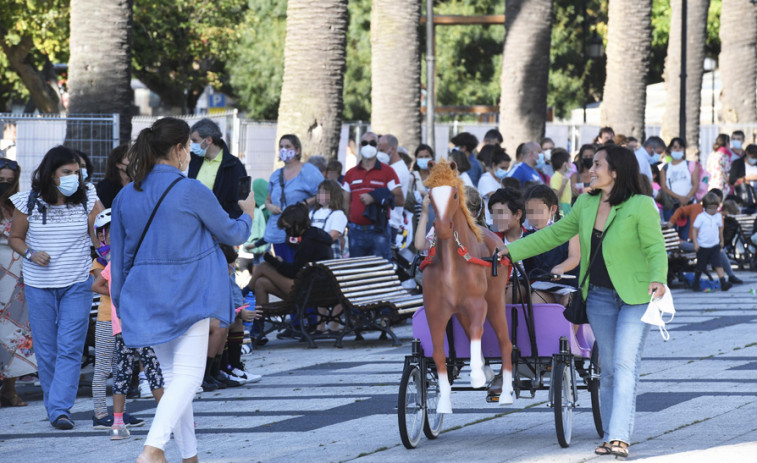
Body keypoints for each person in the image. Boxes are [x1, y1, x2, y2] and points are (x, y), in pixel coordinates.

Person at [505, 144, 667, 459]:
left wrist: (658, 277)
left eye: (596, 165)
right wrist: (510, 250)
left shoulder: (641, 205)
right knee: (606, 368)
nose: (589, 170)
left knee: (623, 364)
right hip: (599, 297)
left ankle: (619, 437)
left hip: (637, 297)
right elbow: (553, 236)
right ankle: (610, 435)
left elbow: (655, 248)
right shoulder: (585, 204)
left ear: (616, 171)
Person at [110, 117, 254, 463]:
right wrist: (248, 213)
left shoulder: (126, 196)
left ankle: (189, 457)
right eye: (188, 147)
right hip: (191, 294)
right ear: (178, 149)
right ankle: (152, 449)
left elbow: (119, 258)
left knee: (175, 381)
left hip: (143, 297)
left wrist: (122, 302)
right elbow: (233, 234)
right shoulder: (190, 190)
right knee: (188, 379)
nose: (189, 154)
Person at [8, 145, 103, 429]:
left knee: (71, 347)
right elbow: (15, 237)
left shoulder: (88, 199)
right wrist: (30, 254)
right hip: (39, 284)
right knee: (47, 350)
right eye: (67, 172)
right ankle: (56, 407)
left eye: (77, 172)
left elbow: (99, 237)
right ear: (51, 174)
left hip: (77, 283)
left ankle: (60, 409)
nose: (74, 177)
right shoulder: (28, 201)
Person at [93, 257, 163, 439]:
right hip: (138, 325)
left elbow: (98, 285)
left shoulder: (117, 261)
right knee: (152, 369)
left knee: (123, 372)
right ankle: (166, 420)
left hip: (122, 324)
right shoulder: (141, 261)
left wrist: (119, 296)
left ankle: (117, 424)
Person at [247, 204, 333, 306]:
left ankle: (241, 296)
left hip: (308, 292)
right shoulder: (316, 236)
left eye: (287, 228)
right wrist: (281, 262)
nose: (286, 232)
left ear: (296, 225)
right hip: (318, 289)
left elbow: (292, 272)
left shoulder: (308, 241)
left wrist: (271, 259)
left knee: (264, 267)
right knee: (261, 283)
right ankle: (258, 320)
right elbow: (297, 267)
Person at [0, 159, 34, 409]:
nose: (5, 184)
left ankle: (10, 390)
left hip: (18, 275)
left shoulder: (18, 205)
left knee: (16, 334)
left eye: (10, 180)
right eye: (1, 179)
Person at [264, 134, 323, 263]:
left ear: (297, 150)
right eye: (281, 146)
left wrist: (305, 203)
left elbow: (325, 194)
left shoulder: (309, 171)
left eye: (287, 146)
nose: (283, 149)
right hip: (277, 233)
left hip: (299, 233)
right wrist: (270, 206)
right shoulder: (275, 175)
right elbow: (268, 199)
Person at [342, 143, 402, 259]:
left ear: (378, 147)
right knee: (356, 271)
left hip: (379, 230)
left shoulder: (388, 172)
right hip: (355, 231)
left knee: (380, 270)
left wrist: (375, 197)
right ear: (359, 146)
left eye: (372, 143)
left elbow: (399, 200)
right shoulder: (350, 174)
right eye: (364, 143)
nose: (368, 146)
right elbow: (345, 203)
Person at [522, 184, 579, 305]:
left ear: (553, 209)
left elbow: (574, 257)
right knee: (536, 300)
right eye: (529, 212)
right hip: (544, 287)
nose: (533, 217)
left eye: (538, 211)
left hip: (569, 285)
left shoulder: (568, 231)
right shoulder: (527, 237)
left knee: (569, 302)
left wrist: (561, 268)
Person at [188, 118, 248, 218]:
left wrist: (226, 226)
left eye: (195, 141)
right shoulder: (192, 160)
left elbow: (241, 202)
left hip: (219, 228)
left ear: (208, 140)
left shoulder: (234, 165)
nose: (192, 145)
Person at [689, 192, 732, 292]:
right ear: (705, 207)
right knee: (701, 265)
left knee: (718, 264)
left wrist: (721, 240)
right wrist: (695, 243)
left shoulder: (717, 216)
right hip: (703, 245)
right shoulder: (701, 217)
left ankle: (723, 283)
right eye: (710, 208)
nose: (713, 210)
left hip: (714, 245)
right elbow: (694, 230)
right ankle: (696, 283)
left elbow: (720, 229)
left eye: (715, 208)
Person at [659, 137, 699, 225]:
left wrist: (687, 198)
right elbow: (664, 187)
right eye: (675, 147)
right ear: (670, 149)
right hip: (671, 205)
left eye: (680, 148)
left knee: (686, 234)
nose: (677, 150)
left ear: (684, 149)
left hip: (688, 204)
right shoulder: (665, 168)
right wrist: (680, 198)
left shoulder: (690, 165)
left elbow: (695, 184)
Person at [310, 179, 348, 259]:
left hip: (330, 254)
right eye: (319, 192)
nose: (320, 195)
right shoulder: (312, 213)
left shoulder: (338, 214)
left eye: (324, 193)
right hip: (313, 253)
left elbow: (333, 236)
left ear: (334, 195)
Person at [477, 146, 509, 226]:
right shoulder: (486, 179)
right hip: (488, 222)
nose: (504, 171)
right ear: (494, 165)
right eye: (502, 168)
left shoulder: (501, 179)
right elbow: (495, 198)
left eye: (506, 168)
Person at [96, 144, 131, 208]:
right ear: (118, 164)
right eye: (129, 159)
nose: (135, 162)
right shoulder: (105, 187)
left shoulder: (139, 184)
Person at [549, 148, 573, 215]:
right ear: (565, 164)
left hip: (567, 207)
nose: (571, 165)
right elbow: (555, 197)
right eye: (569, 162)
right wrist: (563, 185)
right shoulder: (555, 177)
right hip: (561, 209)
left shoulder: (565, 177)